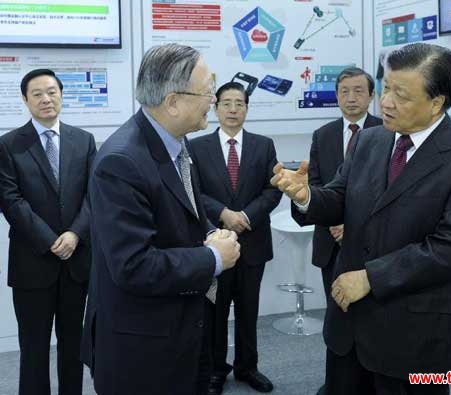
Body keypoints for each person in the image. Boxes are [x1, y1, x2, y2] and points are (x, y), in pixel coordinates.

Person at [271, 42, 451, 395]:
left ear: (437, 102)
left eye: (402, 94)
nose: (387, 102)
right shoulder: (369, 141)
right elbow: (339, 197)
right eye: (386, 88)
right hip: (348, 327)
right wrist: (306, 197)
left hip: (411, 334)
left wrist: (370, 278)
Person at [80, 44, 241, 395]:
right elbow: (133, 265)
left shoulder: (176, 143)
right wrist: (213, 257)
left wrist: (214, 234)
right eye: (208, 90)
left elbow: (186, 217)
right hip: (142, 352)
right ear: (172, 102)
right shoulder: (121, 162)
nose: (214, 100)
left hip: (183, 332)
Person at [0, 68, 96, 395]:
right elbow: (11, 202)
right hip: (32, 264)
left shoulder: (84, 141)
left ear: (62, 94)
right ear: (25, 100)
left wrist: (75, 235)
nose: (46, 99)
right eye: (38, 93)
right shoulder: (9, 145)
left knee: (73, 347)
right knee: (34, 348)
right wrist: (51, 241)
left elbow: (92, 196)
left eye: (52, 91)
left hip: (77, 263)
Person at [190, 81, 282, 395]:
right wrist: (225, 214)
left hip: (253, 243)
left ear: (246, 108)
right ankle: (217, 369)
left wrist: (246, 217)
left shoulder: (263, 145)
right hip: (215, 244)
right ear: (215, 107)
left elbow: (272, 190)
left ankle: (248, 367)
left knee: (248, 310)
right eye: (226, 103)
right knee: (215, 313)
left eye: (239, 103)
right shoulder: (197, 147)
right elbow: (193, 192)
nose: (232, 109)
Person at [309, 67, 381, 395]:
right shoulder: (322, 135)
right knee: (336, 315)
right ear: (336, 96)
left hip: (372, 247)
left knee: (371, 316)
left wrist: (351, 224)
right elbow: (317, 186)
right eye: (344, 92)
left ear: (371, 95)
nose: (351, 98)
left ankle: (367, 381)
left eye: (358, 91)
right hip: (330, 243)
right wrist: (334, 223)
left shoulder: (387, 132)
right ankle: (336, 383)